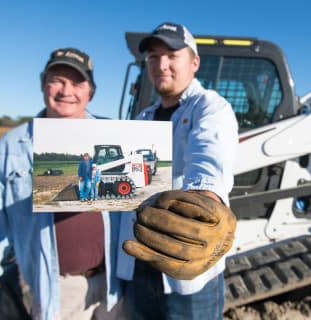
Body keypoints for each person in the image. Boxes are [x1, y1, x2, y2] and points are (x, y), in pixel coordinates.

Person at [0, 48, 124, 319]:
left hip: (116, 284)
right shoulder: (12, 148)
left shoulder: (117, 136)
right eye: (57, 79)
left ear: (90, 92)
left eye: (77, 82)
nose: (66, 90)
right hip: (59, 289)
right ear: (43, 85)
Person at [117, 22, 239, 319]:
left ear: (194, 62)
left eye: (172, 55)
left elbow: (209, 155)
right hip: (136, 265)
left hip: (186, 274)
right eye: (154, 57)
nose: (161, 65)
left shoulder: (210, 108)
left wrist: (206, 200)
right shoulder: (142, 119)